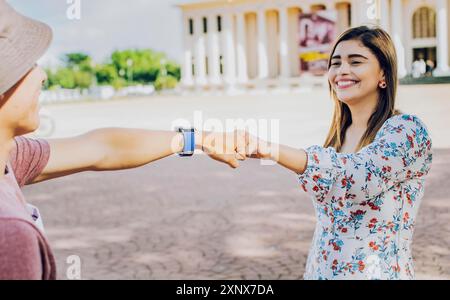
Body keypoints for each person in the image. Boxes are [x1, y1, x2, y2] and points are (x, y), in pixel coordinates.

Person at [0, 1, 243, 280]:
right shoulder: (9, 234)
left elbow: (104, 147)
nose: (42, 75)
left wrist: (198, 140)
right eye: (27, 63)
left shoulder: (9, 159)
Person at [237, 26, 433, 280]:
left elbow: (357, 178)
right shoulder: (336, 139)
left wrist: (271, 150)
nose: (342, 71)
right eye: (335, 63)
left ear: (383, 73)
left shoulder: (406, 131)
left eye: (356, 61)